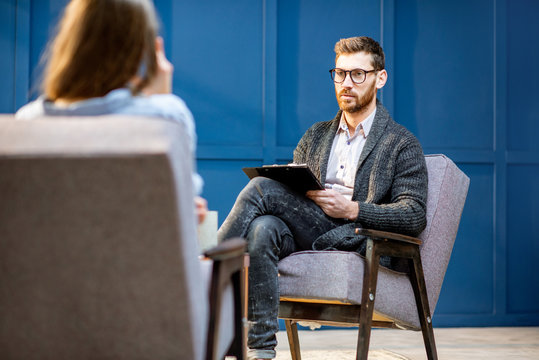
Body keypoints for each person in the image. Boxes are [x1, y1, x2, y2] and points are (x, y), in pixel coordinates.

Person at [217, 36, 428, 359]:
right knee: (264, 227)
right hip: (307, 229)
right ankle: (261, 351)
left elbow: (413, 214)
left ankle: (202, 276)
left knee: (261, 189)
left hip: (352, 236)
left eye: (358, 74)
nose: (346, 83)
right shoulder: (315, 135)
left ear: (379, 78)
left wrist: (353, 209)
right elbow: (292, 195)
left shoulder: (401, 143)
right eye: (340, 74)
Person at [15, 0, 207, 223]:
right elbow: (181, 232)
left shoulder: (26, 123)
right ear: (140, 48)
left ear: (70, 41)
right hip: (139, 258)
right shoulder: (166, 116)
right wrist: (161, 100)